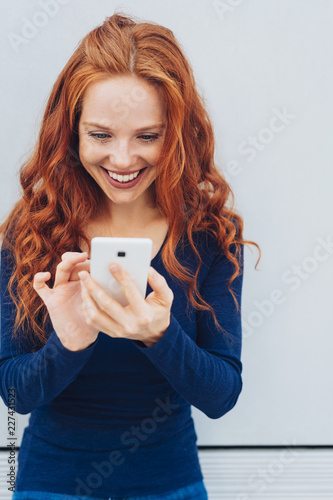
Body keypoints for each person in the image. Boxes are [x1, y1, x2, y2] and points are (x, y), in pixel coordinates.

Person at [0, 12, 261, 500]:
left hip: (169, 483)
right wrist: (70, 343)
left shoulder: (210, 235)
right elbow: (15, 394)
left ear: (177, 133)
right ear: (71, 131)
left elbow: (221, 395)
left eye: (147, 136)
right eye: (101, 135)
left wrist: (159, 334)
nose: (122, 160)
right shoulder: (31, 232)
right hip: (51, 484)